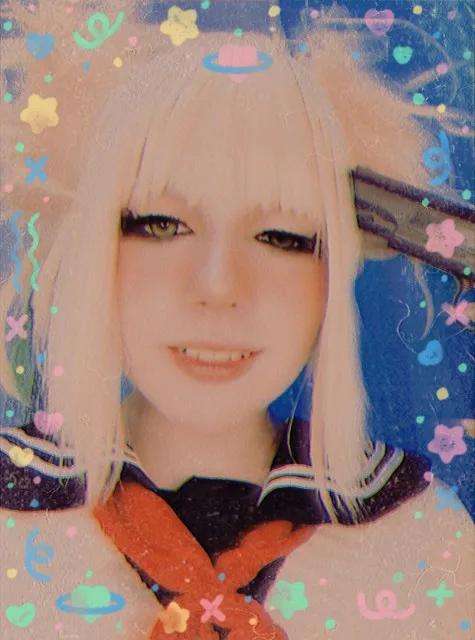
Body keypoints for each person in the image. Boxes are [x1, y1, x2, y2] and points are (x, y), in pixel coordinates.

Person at [0, 1, 473, 638]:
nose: (219, 287)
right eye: (161, 225)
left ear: (333, 267)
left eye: (280, 236)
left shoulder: (422, 544)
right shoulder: (11, 533)